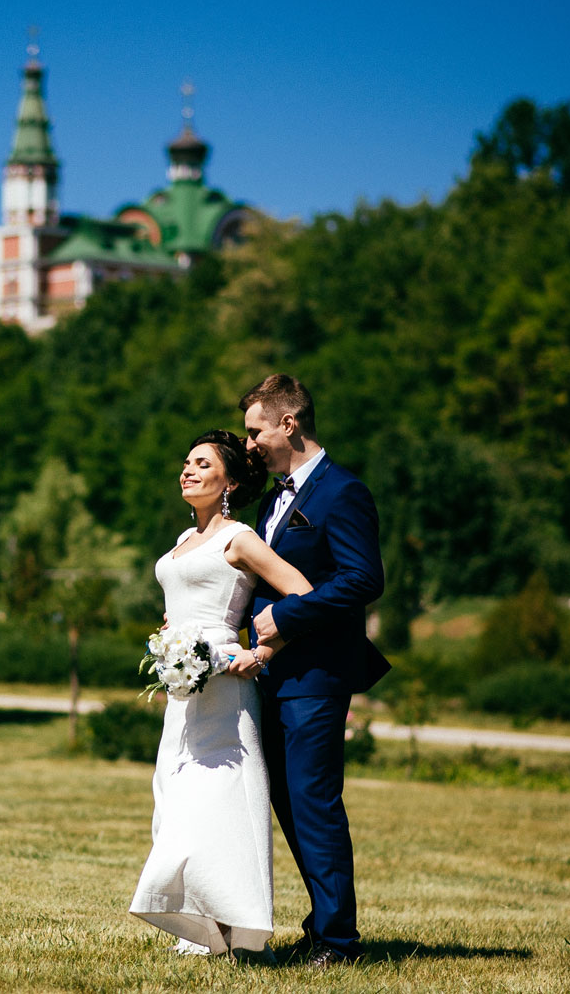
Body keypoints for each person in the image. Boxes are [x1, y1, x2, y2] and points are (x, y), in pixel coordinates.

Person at [128, 430, 312, 958]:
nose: (187, 471)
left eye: (202, 464)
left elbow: (302, 595)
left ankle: (243, 933)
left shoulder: (240, 537)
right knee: (179, 806)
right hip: (184, 694)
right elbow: (185, 598)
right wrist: (171, 637)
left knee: (224, 809)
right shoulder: (183, 542)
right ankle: (207, 930)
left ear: (228, 481)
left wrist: (262, 653)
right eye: (185, 462)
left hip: (227, 692)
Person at [226, 374, 389, 968]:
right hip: (269, 674)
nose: (249, 444)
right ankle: (323, 927)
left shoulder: (341, 491)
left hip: (317, 675)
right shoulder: (274, 497)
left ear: (288, 424)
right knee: (289, 804)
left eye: (255, 430)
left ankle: (340, 944)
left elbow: (364, 579)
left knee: (314, 801)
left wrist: (288, 616)